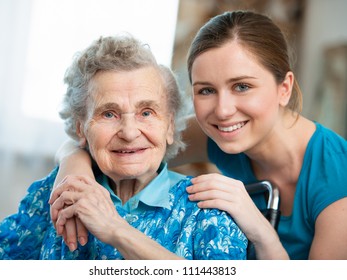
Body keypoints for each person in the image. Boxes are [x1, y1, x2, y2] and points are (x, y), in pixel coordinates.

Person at [52, 11, 347, 260]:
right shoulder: (214, 131)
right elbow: (117, 143)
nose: (223, 109)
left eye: (242, 86)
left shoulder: (336, 177)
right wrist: (74, 174)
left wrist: (258, 227)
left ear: (284, 88)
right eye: (206, 90)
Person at [0, 34, 247, 260]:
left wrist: (115, 229)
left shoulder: (207, 210)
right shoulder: (58, 192)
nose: (129, 133)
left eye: (147, 112)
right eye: (109, 114)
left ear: (169, 127)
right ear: (81, 128)